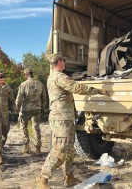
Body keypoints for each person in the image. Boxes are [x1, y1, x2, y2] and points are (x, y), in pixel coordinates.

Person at [38, 53, 109, 188]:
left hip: (66, 118)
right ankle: (43, 179)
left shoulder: (54, 76)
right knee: (60, 149)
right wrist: (96, 90)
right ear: (59, 62)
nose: (64, 62)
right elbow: (76, 88)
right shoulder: (59, 76)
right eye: (63, 60)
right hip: (61, 119)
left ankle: (69, 177)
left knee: (69, 149)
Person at [16, 68, 46, 156]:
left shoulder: (24, 84)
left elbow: (19, 98)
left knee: (23, 127)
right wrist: (42, 108)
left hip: (25, 109)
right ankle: (38, 149)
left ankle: (26, 147)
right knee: (36, 127)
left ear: (26, 75)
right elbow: (44, 97)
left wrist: (17, 109)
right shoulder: (40, 84)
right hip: (37, 109)